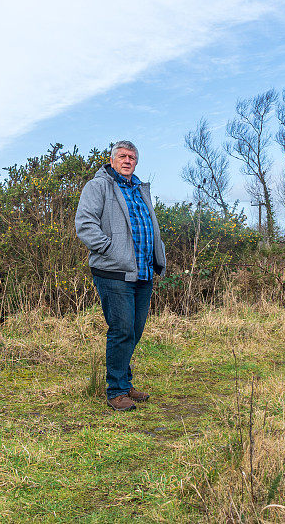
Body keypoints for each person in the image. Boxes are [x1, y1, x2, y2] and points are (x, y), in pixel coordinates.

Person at [75, 141, 166, 411]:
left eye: (132, 157)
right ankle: (116, 391)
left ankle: (124, 383)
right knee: (122, 329)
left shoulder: (139, 188)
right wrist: (109, 249)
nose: (128, 160)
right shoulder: (98, 186)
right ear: (112, 160)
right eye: (123, 156)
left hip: (142, 272)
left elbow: (147, 224)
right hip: (113, 270)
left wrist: (157, 254)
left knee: (134, 330)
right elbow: (85, 224)